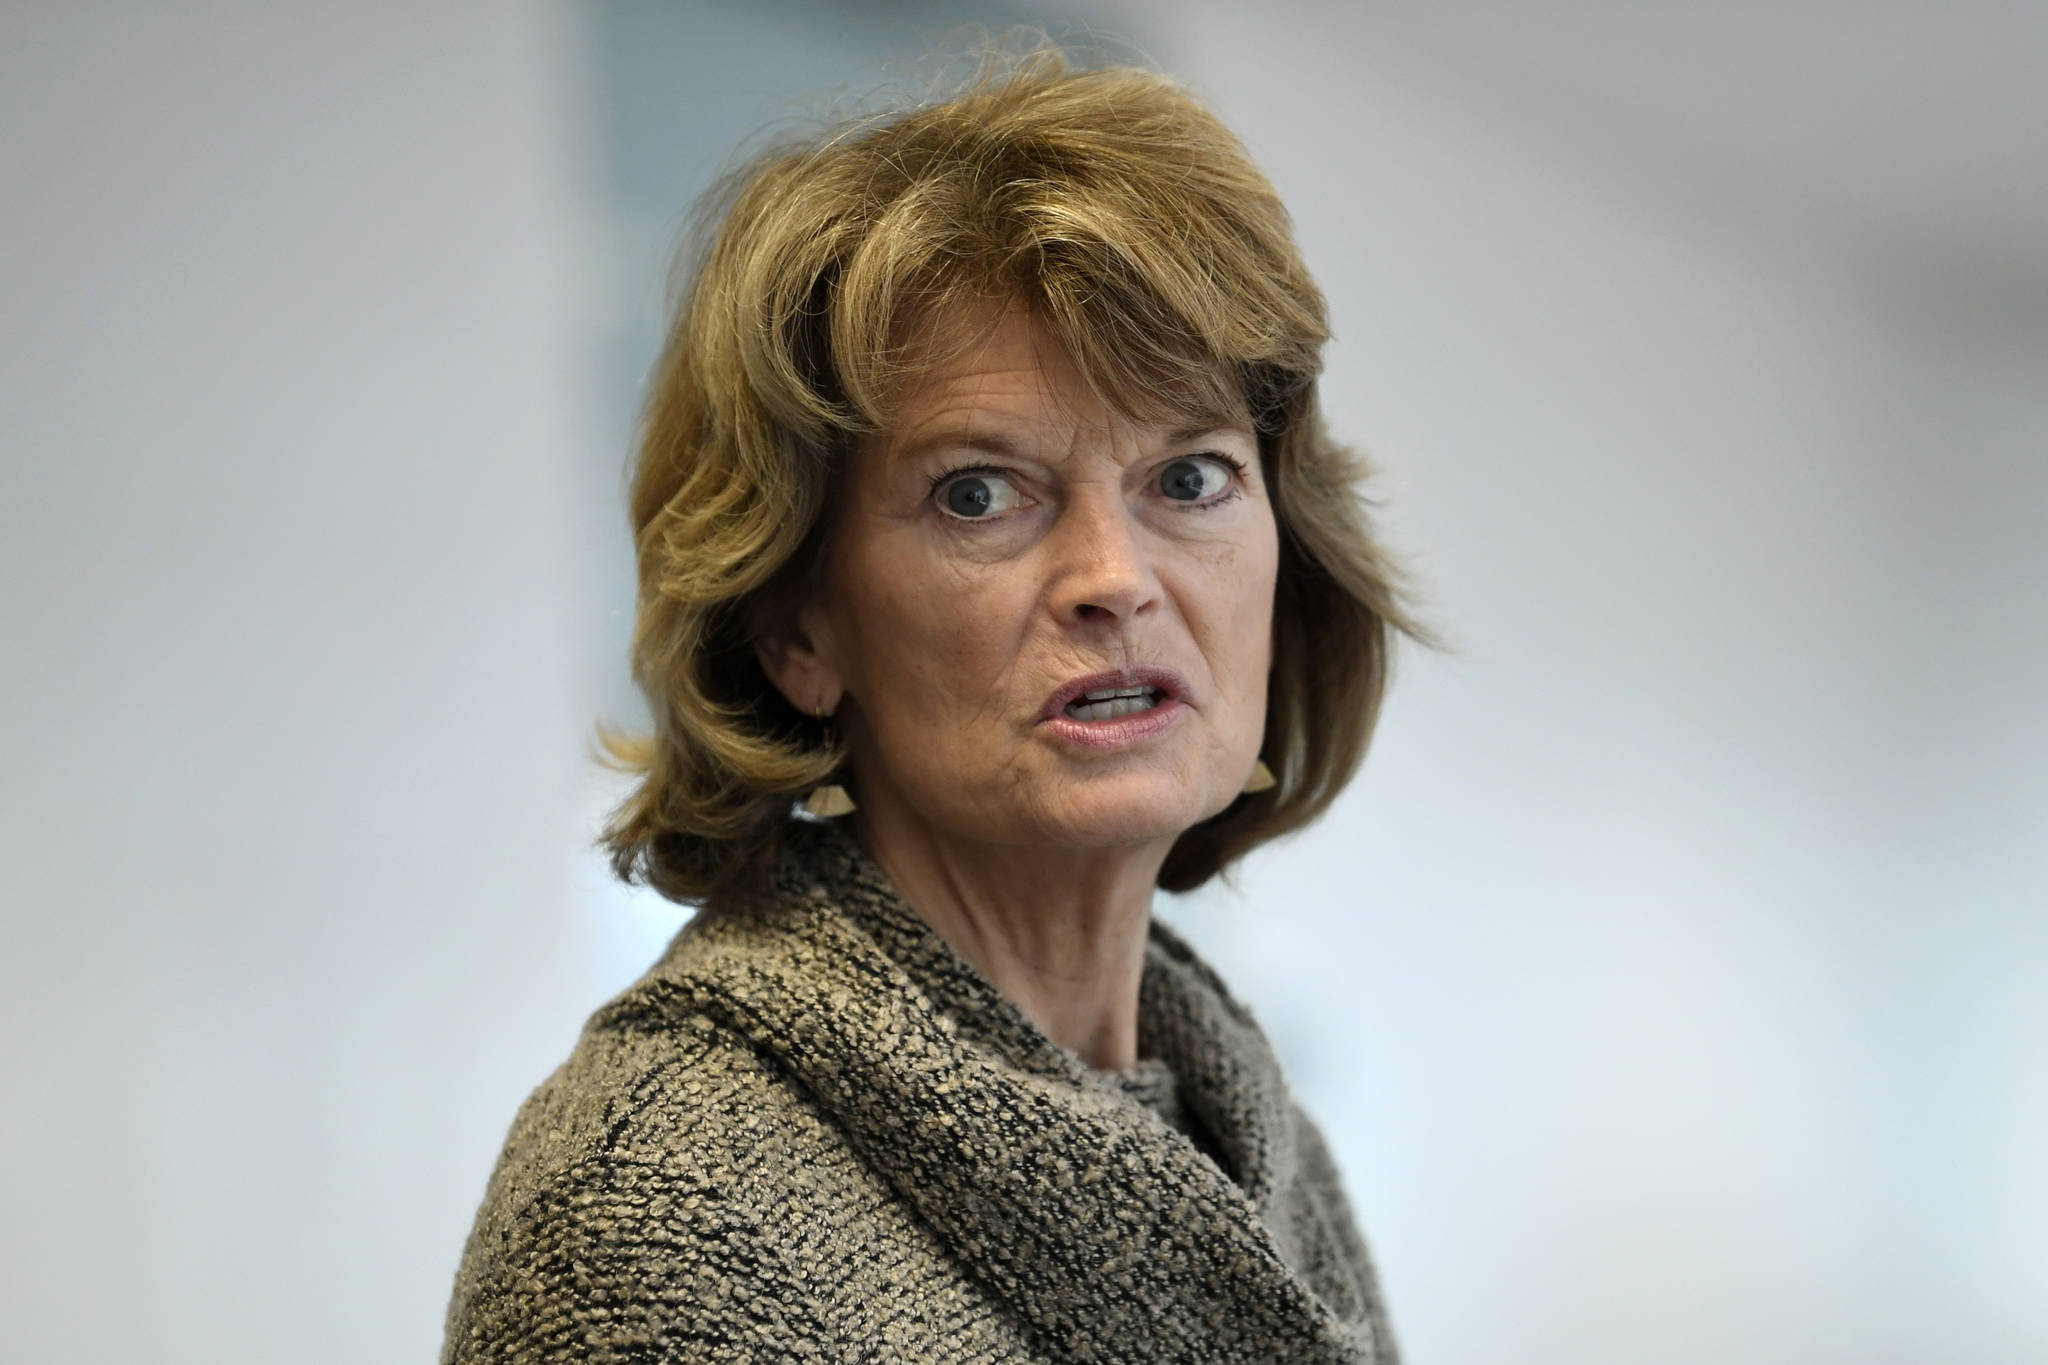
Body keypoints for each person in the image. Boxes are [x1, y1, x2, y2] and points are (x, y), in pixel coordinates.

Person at [443, 45, 1424, 1365]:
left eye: (1188, 478)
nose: (1114, 579)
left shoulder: (1257, 1139)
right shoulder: (648, 1202)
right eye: (980, 493)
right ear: (799, 626)